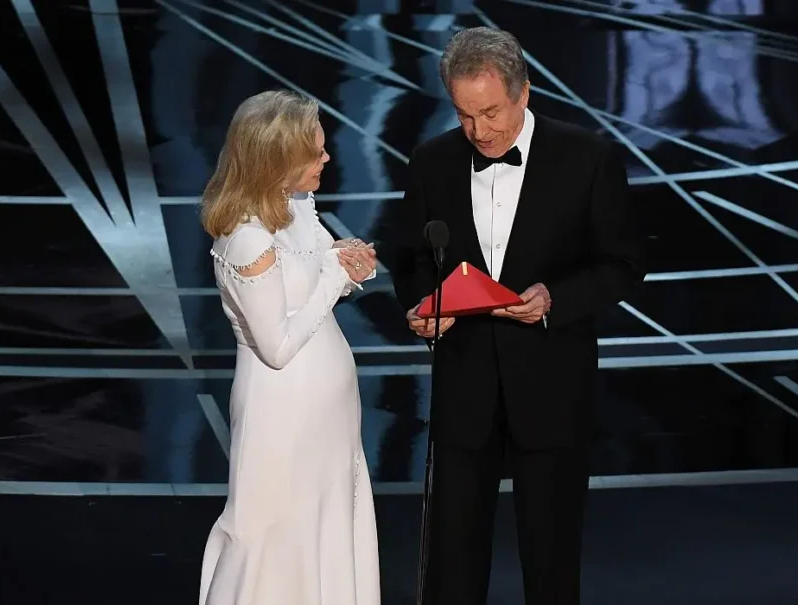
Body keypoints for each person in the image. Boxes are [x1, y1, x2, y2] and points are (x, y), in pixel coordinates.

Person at [389, 27, 644, 605]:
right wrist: (423, 307)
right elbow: (410, 259)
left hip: (552, 386)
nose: (478, 131)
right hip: (465, 389)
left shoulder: (588, 157)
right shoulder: (432, 162)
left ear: (523, 92)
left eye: (490, 112)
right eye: (464, 115)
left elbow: (623, 264)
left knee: (551, 558)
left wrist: (557, 297)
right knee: (452, 561)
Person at [199, 90, 381, 605]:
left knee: (325, 525)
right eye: (315, 152)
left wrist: (348, 263)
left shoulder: (295, 204)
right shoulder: (247, 240)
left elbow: (320, 273)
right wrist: (331, 273)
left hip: (330, 415)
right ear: (276, 160)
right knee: (275, 536)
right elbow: (277, 345)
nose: (326, 158)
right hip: (283, 413)